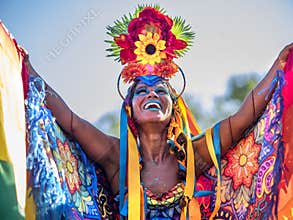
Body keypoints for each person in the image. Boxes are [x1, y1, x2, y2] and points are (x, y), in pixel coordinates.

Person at [2, 5, 293, 220]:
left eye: (161, 90)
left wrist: (278, 66)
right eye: (142, 90)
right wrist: (26, 68)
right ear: (129, 108)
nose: (152, 93)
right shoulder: (116, 158)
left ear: (173, 105)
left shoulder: (196, 154)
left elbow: (244, 116)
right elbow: (71, 122)